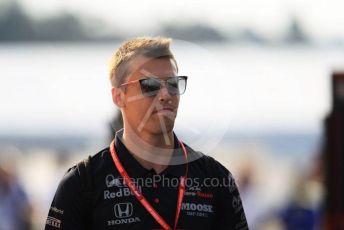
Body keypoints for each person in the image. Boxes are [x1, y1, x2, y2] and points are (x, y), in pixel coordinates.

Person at [45, 37, 248, 230]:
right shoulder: (82, 183)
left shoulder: (215, 178)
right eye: (150, 85)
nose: (165, 95)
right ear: (118, 97)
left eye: (173, 84)